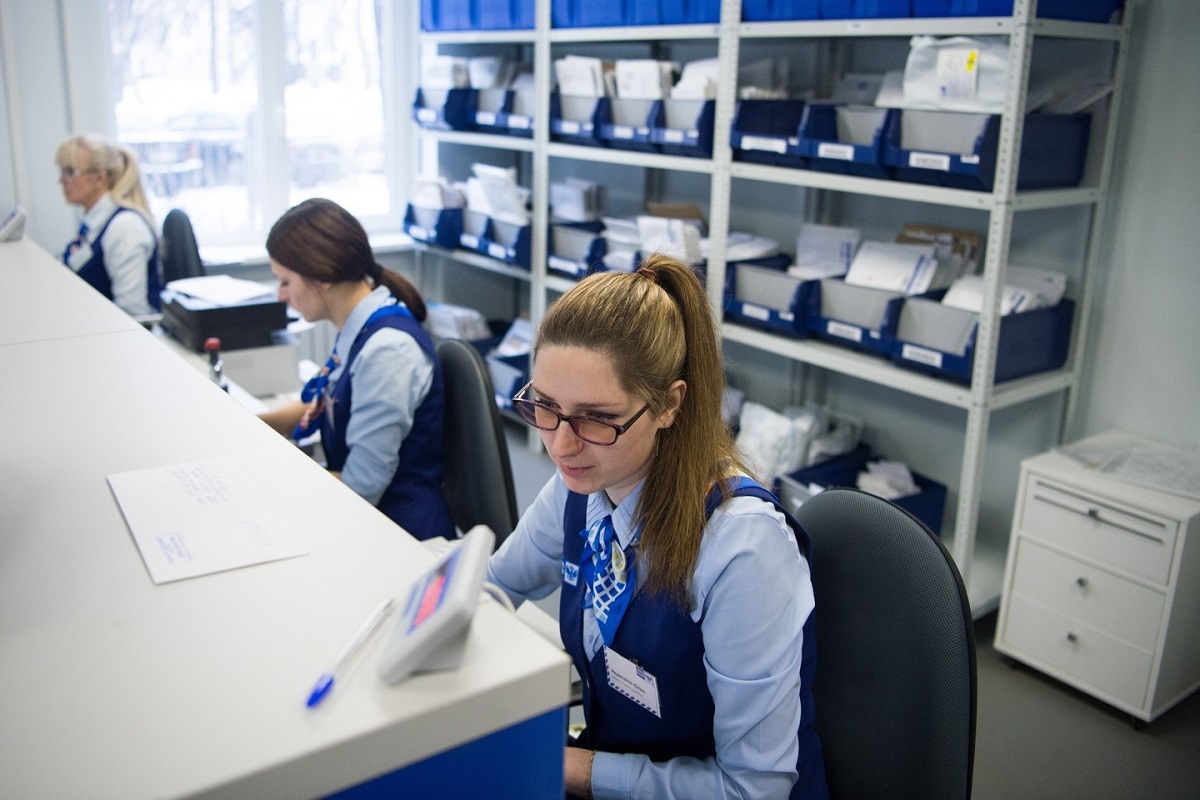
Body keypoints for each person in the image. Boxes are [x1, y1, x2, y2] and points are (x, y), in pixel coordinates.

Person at [486, 253, 828, 800]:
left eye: (597, 418)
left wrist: (571, 768)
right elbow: (495, 588)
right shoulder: (582, 483)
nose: (560, 445)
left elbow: (753, 789)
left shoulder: (741, 549)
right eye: (545, 406)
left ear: (669, 404)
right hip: (606, 766)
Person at [258, 198, 454, 541]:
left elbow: (359, 487)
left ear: (322, 277)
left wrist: (267, 479)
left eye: (285, 281)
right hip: (370, 518)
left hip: (399, 536)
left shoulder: (387, 352)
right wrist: (254, 427)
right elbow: (326, 401)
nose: (280, 295)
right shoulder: (361, 326)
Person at [56, 134, 162, 317]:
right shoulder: (93, 224)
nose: (61, 180)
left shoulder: (124, 227)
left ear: (99, 179)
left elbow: (133, 311)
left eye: (70, 172)